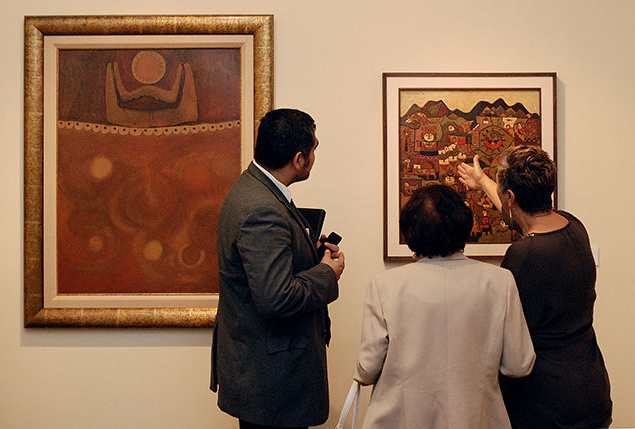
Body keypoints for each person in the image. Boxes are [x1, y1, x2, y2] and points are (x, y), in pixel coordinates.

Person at [354, 184, 535, 429]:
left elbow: (367, 369)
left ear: (410, 231)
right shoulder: (499, 282)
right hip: (477, 421)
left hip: (400, 421)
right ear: (464, 225)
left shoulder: (385, 285)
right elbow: (519, 364)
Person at [458, 145, 612, 429]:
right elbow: (519, 215)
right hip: (590, 392)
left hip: (547, 407)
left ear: (511, 197)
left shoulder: (525, 256)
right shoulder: (573, 226)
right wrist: (482, 182)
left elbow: (504, 334)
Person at [210, 108, 345, 429]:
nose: (314, 156)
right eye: (313, 149)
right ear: (299, 159)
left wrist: (306, 254)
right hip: (272, 382)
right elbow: (275, 298)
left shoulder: (252, 189)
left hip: (262, 373)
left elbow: (262, 268)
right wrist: (327, 272)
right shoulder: (262, 209)